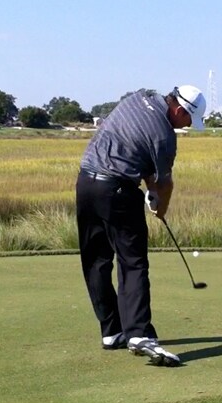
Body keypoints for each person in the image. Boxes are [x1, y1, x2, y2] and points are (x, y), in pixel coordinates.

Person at [76, 85, 206, 367]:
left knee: (96, 260)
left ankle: (112, 331)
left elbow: (141, 156)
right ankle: (139, 334)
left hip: (85, 183)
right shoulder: (165, 136)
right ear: (179, 110)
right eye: (188, 119)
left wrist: (150, 190)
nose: (187, 126)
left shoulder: (139, 97)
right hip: (118, 190)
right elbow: (164, 183)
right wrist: (160, 208)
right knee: (133, 262)